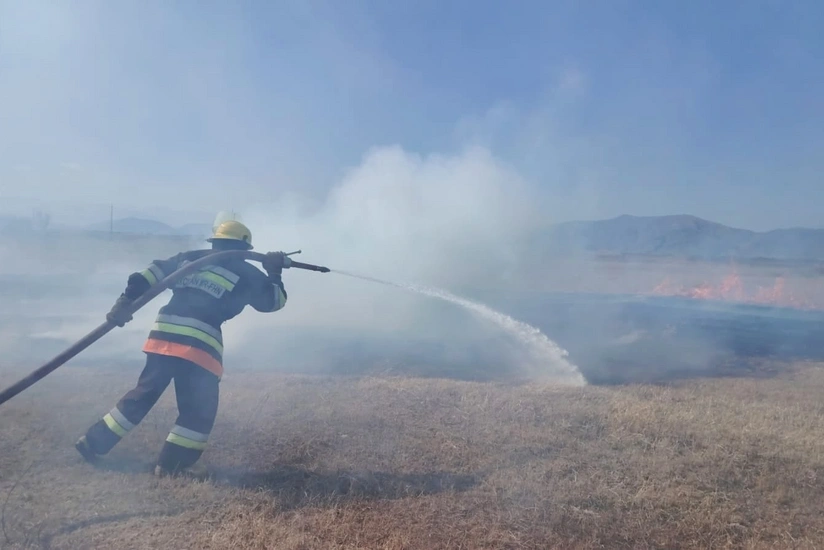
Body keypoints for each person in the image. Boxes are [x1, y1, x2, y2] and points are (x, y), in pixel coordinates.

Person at [75, 220, 290, 478]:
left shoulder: (189, 259)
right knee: (199, 408)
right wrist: (274, 272)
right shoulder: (246, 272)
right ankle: (173, 465)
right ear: (245, 248)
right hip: (199, 345)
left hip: (162, 337)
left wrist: (125, 299)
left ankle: (93, 442)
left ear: (215, 242)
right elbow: (273, 302)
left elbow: (147, 275)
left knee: (143, 395)